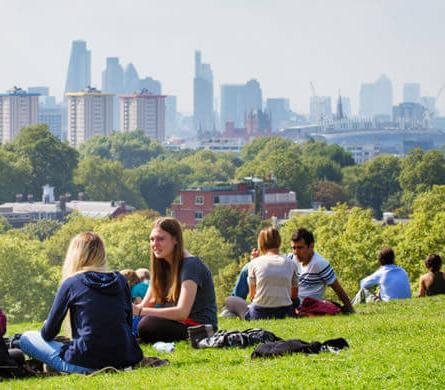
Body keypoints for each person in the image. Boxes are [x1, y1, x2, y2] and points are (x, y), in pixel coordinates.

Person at [19, 232, 143, 374]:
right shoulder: (120, 280)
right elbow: (126, 324)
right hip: (125, 358)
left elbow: (48, 334)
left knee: (26, 338)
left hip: (85, 362)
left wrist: (47, 324)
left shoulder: (71, 283)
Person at [135, 217, 217, 343]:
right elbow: (144, 305)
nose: (154, 244)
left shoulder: (191, 265)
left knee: (147, 324)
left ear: (175, 240)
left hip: (197, 327)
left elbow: (182, 312)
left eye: (161, 239)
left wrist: (140, 311)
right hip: (174, 323)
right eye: (152, 239)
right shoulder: (161, 267)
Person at [225, 227, 298, 320]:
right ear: (279, 242)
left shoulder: (254, 263)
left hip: (259, 314)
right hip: (285, 313)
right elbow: (294, 296)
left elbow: (253, 296)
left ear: (261, 244)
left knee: (230, 300)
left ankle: (231, 314)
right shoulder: (291, 263)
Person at [290, 228, 354, 312]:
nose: (296, 252)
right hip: (291, 304)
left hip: (308, 306)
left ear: (311, 246)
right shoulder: (290, 259)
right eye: (293, 248)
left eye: (300, 248)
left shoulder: (320, 263)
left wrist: (350, 308)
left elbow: (337, 289)